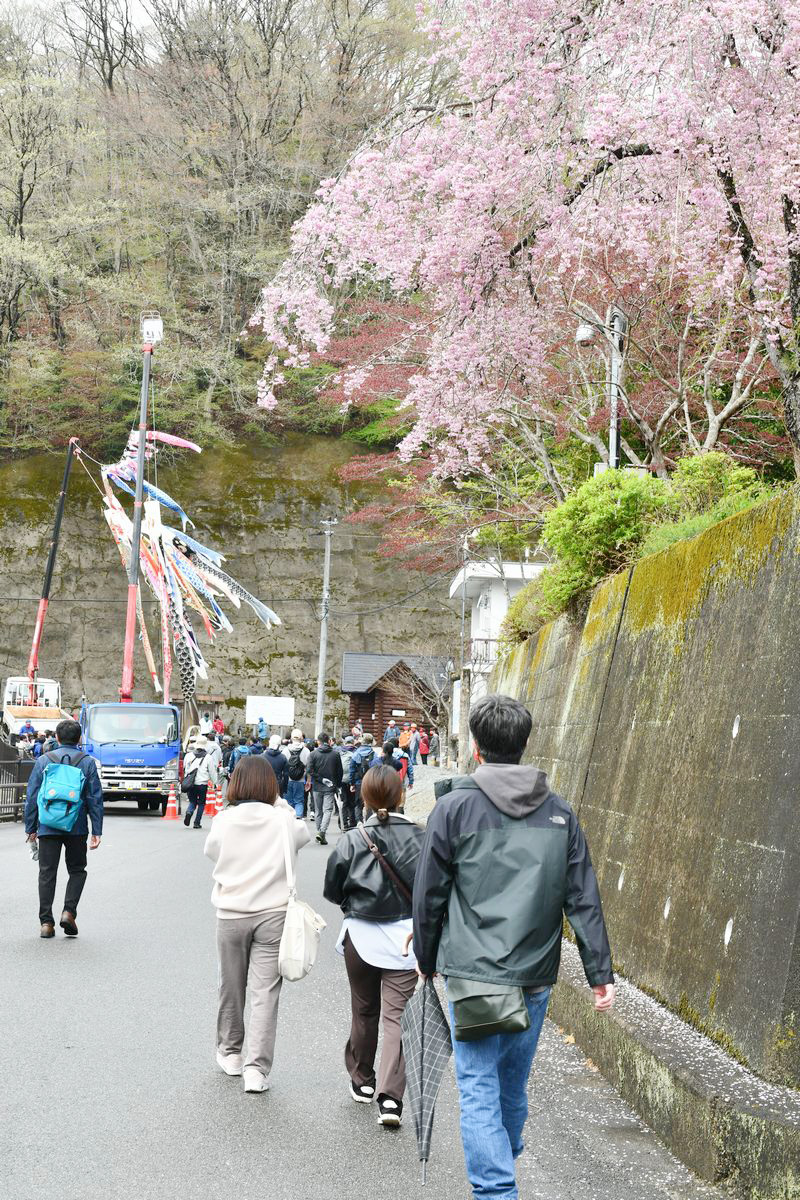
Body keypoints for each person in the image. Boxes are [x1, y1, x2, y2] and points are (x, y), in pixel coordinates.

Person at [413, 694, 615, 1200]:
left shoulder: (455, 808)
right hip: (534, 975)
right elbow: (582, 896)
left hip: (472, 974)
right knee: (510, 1086)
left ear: (476, 749)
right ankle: (504, 1157)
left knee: (478, 1087)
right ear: (524, 745)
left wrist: (425, 961)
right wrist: (599, 973)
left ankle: (496, 1190)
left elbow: (429, 894)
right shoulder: (560, 815)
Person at [323, 765, 424, 1127]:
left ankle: (362, 1080)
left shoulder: (353, 837)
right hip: (405, 941)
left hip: (361, 938)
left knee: (364, 1010)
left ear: (364, 798)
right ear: (402, 795)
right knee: (397, 1017)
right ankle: (391, 1100)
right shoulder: (420, 837)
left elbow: (332, 889)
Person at [204, 755, 311, 1093]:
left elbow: (211, 852)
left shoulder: (225, 820)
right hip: (273, 914)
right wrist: (278, 802)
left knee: (231, 986)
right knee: (266, 993)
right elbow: (303, 835)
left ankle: (230, 1052)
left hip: (232, 913)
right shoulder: (284, 821)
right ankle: (256, 1070)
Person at [24, 718, 103, 939]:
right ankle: (69, 912)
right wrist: (97, 830)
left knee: (47, 873)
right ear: (79, 739)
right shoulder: (86, 762)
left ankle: (46, 923)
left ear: (57, 738)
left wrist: (31, 827)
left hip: (48, 825)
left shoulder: (43, 760)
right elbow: (94, 798)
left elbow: (32, 797)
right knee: (77, 870)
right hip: (76, 826)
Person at [307, 732, 343, 846]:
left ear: (318, 741)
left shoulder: (313, 754)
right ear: (328, 741)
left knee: (318, 811)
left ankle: (320, 832)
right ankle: (322, 832)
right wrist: (337, 784)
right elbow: (339, 771)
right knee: (327, 810)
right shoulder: (335, 754)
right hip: (330, 786)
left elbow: (309, 770)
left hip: (317, 786)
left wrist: (320, 779)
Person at [183, 735, 219, 829]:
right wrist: (215, 783)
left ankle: (189, 812)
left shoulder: (188, 755)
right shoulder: (208, 757)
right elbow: (212, 771)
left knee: (192, 801)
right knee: (201, 803)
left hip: (190, 783)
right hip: (202, 784)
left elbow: (185, 769)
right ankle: (197, 822)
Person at [347, 734, 378, 828]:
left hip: (358, 782)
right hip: (371, 781)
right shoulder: (374, 754)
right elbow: (377, 768)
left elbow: (351, 770)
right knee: (369, 802)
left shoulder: (356, 753)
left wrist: (351, 783)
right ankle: (369, 822)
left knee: (358, 803)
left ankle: (359, 821)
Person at [282, 729, 311, 818]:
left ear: (291, 738)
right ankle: (298, 817)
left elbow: (283, 766)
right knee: (299, 801)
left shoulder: (285, 750)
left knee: (288, 801)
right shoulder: (306, 751)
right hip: (300, 779)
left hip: (288, 780)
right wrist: (308, 781)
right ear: (301, 738)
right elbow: (308, 768)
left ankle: (289, 817)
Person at [338, 736, 356, 830]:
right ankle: (352, 823)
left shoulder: (340, 752)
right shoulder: (355, 752)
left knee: (344, 802)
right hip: (351, 780)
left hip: (341, 780)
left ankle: (343, 823)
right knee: (351, 802)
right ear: (353, 742)